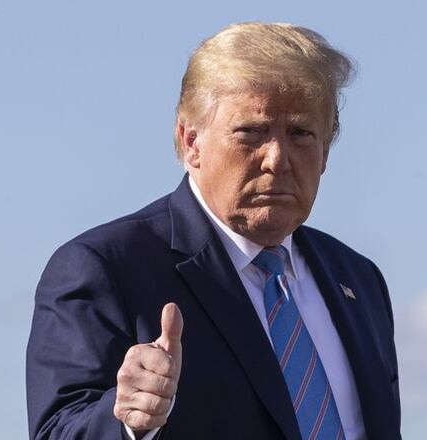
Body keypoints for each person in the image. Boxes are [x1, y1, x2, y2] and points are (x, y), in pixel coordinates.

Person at [26, 22, 401, 440]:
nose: (277, 159)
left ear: (326, 152)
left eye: (300, 133)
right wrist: (129, 424)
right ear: (191, 142)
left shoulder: (358, 280)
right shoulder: (106, 267)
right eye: (251, 132)